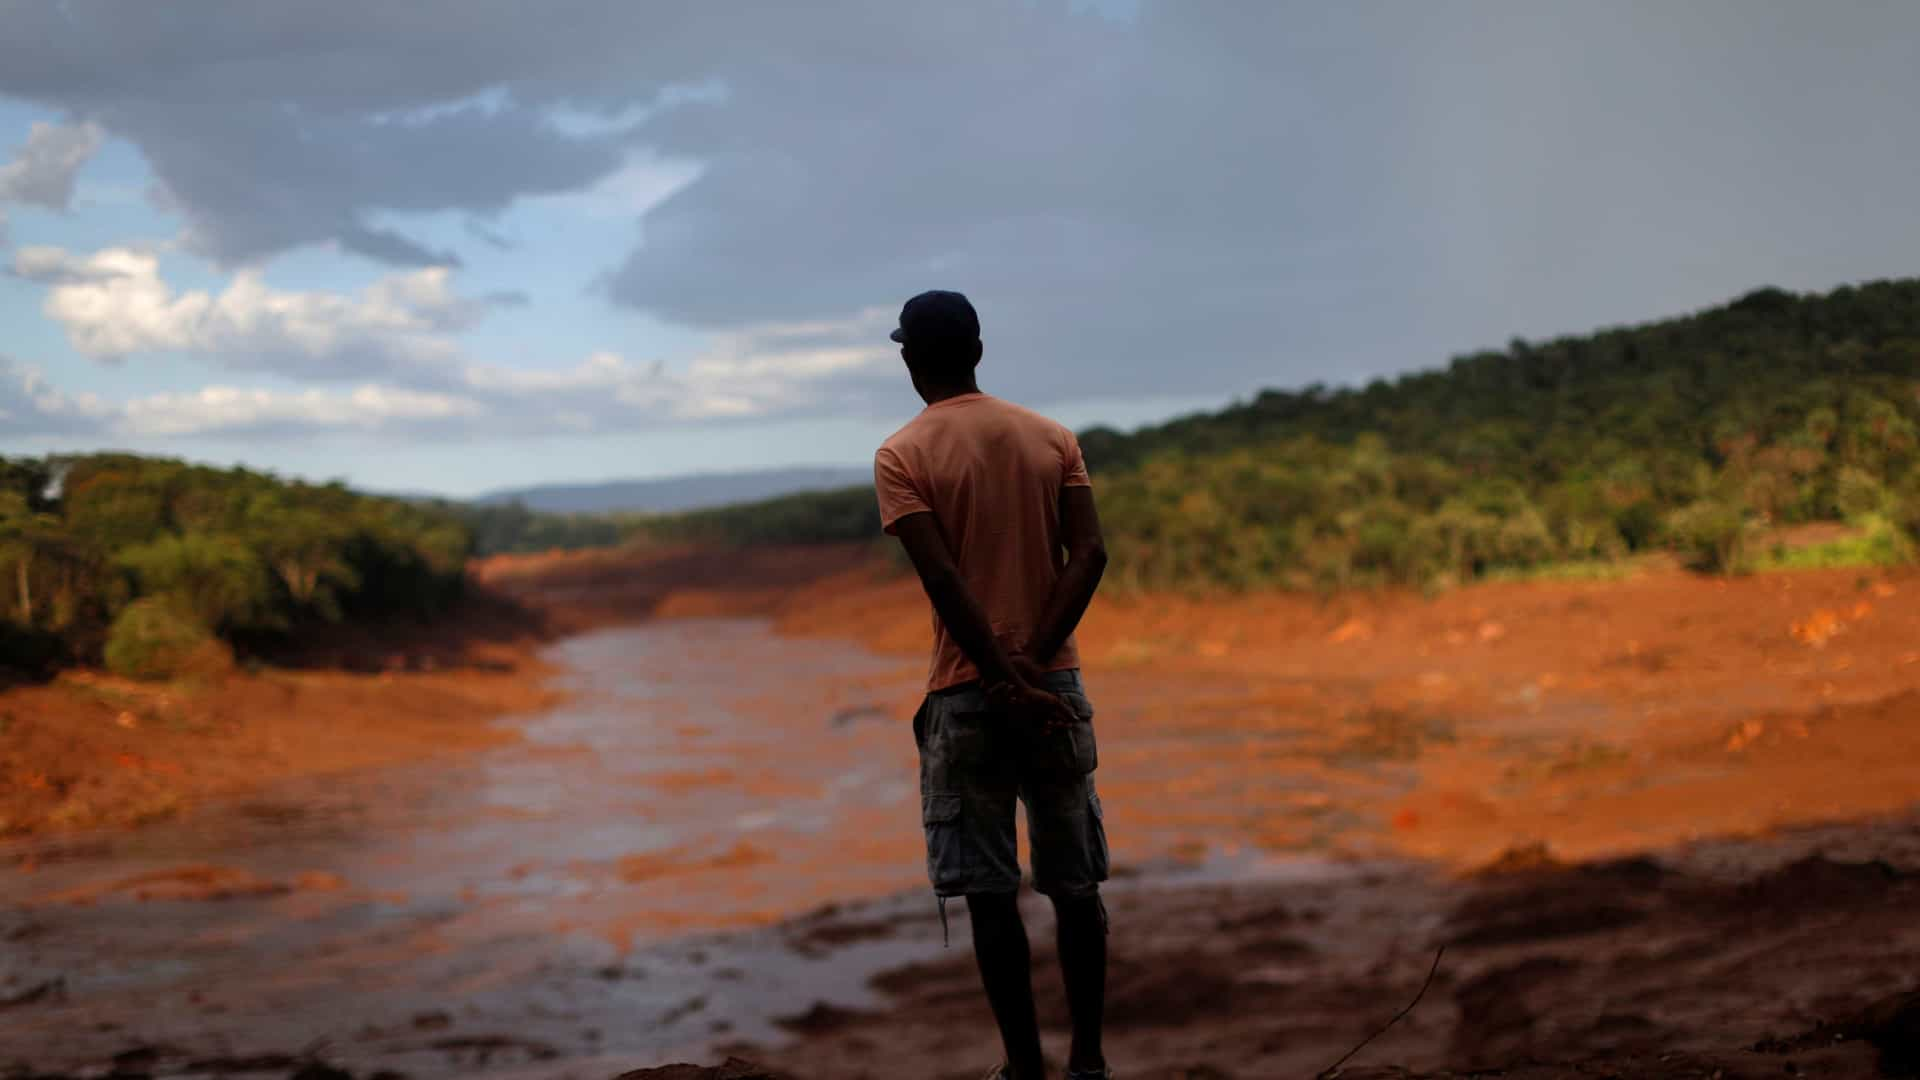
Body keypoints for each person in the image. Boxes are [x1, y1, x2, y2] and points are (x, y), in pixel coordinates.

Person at [873, 289, 1114, 1080]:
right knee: (1075, 886)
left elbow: (942, 579)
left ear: (911, 358)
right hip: (1055, 691)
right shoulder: (1052, 439)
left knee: (988, 892)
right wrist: (1035, 669)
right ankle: (1088, 1061)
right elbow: (1090, 556)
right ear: (978, 349)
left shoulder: (902, 456)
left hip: (966, 695)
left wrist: (1001, 677)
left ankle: (1024, 1069)